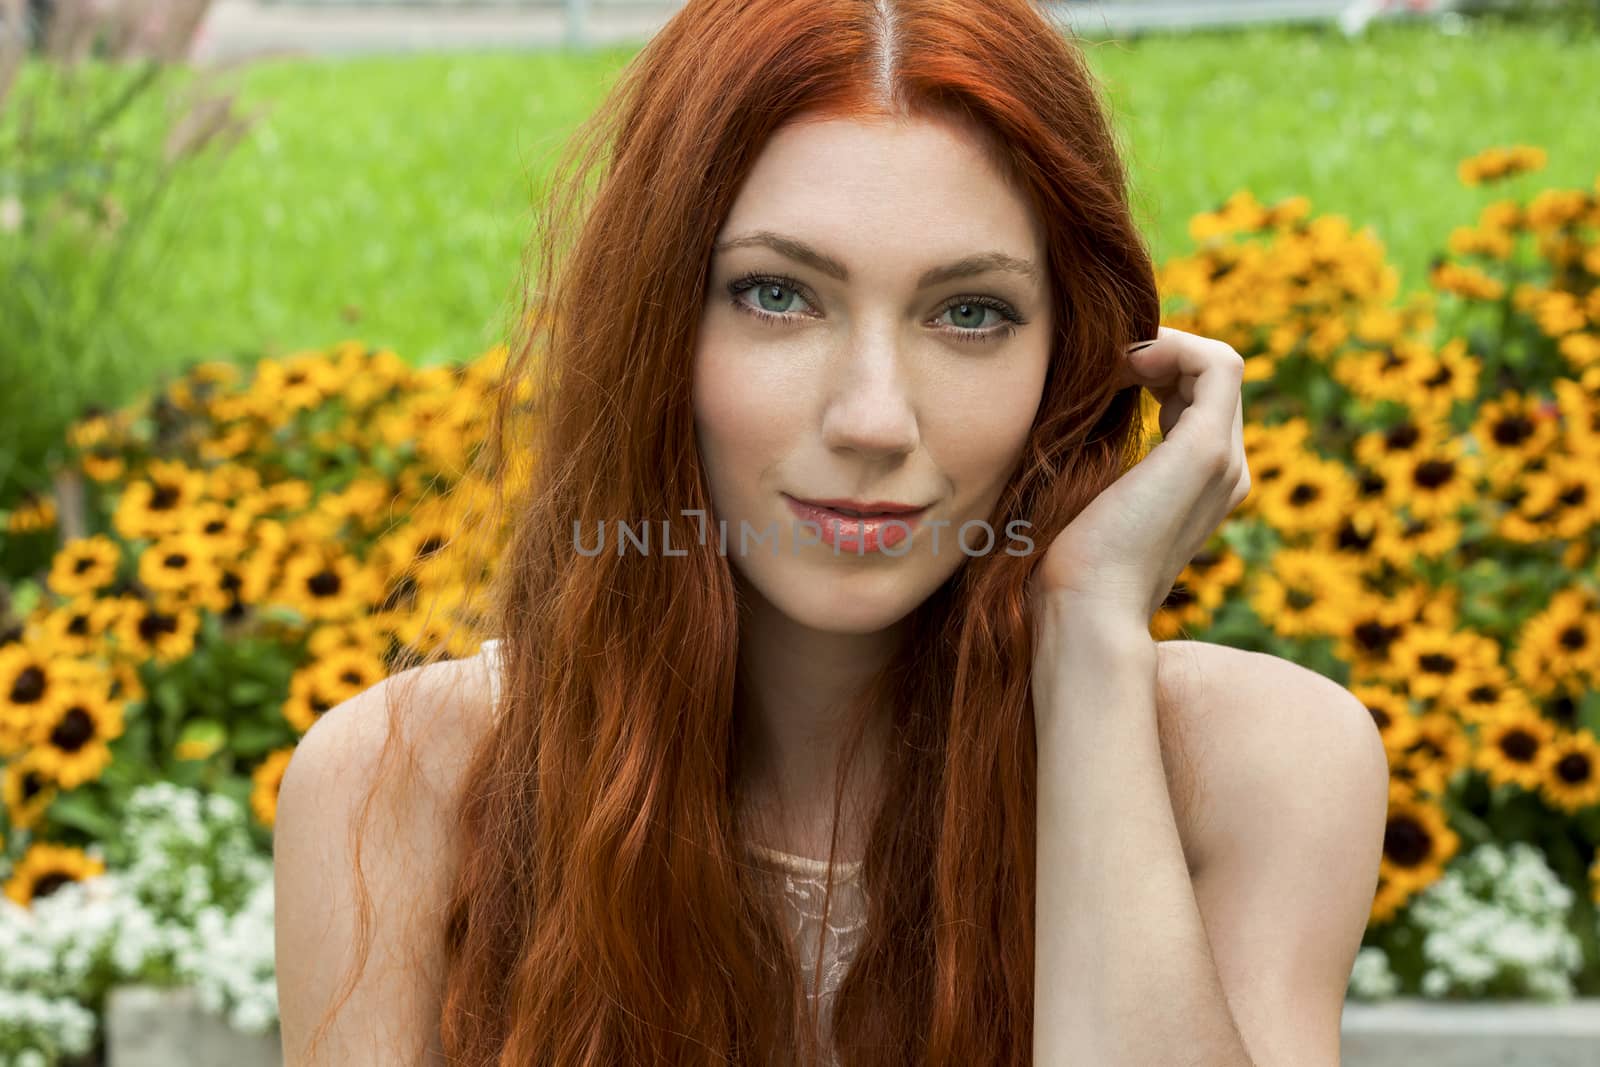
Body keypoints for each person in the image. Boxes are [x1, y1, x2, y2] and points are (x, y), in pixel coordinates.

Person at [273, 0, 1389, 1063]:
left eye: (970, 312)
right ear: (654, 321)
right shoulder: (403, 786)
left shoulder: (1254, 767)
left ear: (1069, 356)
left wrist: (1088, 631)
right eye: (776, 294)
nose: (871, 418)